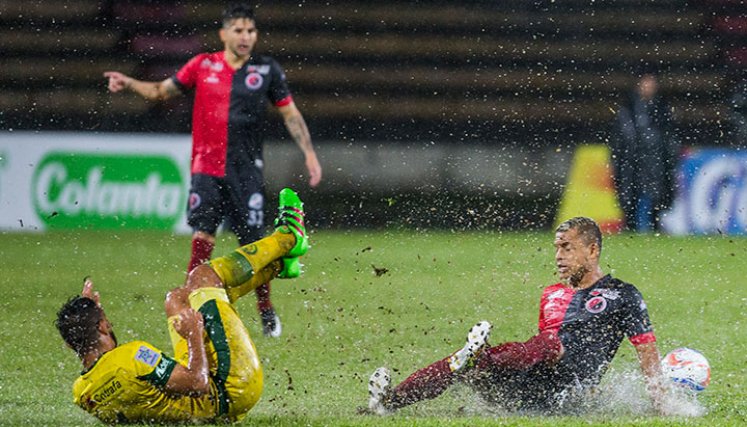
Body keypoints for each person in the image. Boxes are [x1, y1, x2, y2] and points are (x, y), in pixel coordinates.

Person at [103, 3, 322, 337]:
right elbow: (162, 91)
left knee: (252, 243)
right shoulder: (202, 65)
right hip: (206, 167)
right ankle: (192, 307)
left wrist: (308, 153)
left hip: (246, 171)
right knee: (202, 236)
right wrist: (130, 83)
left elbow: (290, 114)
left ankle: (265, 309)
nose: (245, 36)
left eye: (250, 30)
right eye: (238, 30)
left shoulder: (266, 70)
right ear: (224, 34)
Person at [55, 188, 308, 424]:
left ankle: (279, 266)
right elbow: (197, 382)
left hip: (203, 403)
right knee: (202, 277)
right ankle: (288, 237)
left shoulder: (83, 395)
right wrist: (193, 335)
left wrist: (86, 315)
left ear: (69, 344)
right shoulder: (134, 357)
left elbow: (111, 369)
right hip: (231, 390)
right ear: (102, 326)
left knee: (177, 299)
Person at [367, 217, 667, 415]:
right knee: (472, 365)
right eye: (556, 248)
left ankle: (481, 355)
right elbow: (533, 355)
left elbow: (647, 350)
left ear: (592, 250)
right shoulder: (551, 293)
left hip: (569, 394)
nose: (558, 256)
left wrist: (661, 403)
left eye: (567, 248)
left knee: (548, 343)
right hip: (528, 389)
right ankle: (388, 402)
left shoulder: (622, 294)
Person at [610, 70, 680, 232]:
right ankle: (630, 225)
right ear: (638, 86)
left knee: (658, 194)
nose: (648, 87)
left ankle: (655, 225)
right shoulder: (627, 108)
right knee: (629, 193)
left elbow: (670, 135)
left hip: (655, 158)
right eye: (645, 83)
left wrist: (670, 156)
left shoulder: (663, 108)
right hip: (632, 158)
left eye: (651, 83)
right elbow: (619, 137)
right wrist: (618, 157)